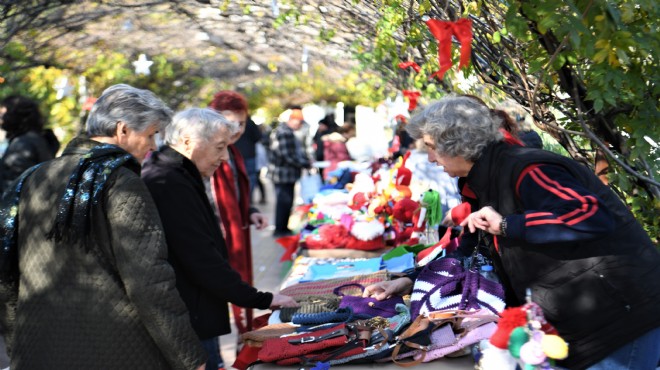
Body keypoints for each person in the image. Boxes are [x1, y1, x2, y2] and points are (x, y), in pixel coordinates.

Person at [365, 95, 660, 370]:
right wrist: (409, 281)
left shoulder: (526, 168)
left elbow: (590, 215)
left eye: (431, 147)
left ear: (455, 142)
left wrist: (507, 225)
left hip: (620, 319)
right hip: (582, 322)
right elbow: (469, 251)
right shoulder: (481, 182)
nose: (429, 159)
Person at [0, 84, 207, 369]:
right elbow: (150, 279)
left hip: (37, 348)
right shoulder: (121, 182)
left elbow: (7, 274)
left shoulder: (31, 178)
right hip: (118, 352)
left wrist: (16, 341)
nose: (153, 145)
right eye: (150, 134)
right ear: (122, 130)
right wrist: (189, 357)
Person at [141, 108, 297, 370]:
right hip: (189, 317)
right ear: (189, 141)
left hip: (195, 310)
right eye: (220, 147)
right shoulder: (167, 181)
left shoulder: (179, 174)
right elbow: (201, 258)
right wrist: (260, 299)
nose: (224, 157)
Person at [207, 91, 268, 335]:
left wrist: (250, 211)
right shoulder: (208, 153)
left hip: (234, 233)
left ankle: (242, 340)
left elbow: (237, 193)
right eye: (229, 122)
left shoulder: (234, 152)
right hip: (215, 240)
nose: (236, 129)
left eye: (241, 123)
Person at [0, 95, 60, 193]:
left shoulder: (23, 143)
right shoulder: (36, 139)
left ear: (14, 115)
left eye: (3, 113)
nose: (1, 117)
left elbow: (15, 185)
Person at [268, 108, 311, 237]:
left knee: (286, 202)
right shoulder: (284, 132)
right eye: (299, 122)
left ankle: (283, 227)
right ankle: (280, 229)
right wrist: (304, 163)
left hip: (284, 174)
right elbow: (287, 155)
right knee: (284, 202)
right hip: (283, 175)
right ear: (292, 120)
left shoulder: (284, 131)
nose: (300, 125)